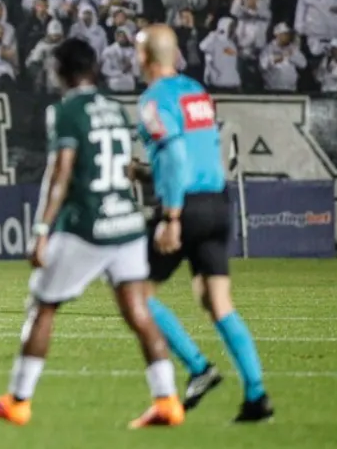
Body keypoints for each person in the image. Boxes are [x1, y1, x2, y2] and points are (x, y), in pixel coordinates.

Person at [0, 38, 185, 429]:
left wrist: (41, 230)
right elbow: (124, 166)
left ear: (61, 71)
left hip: (88, 226)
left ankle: (18, 400)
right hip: (128, 223)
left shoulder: (66, 111)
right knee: (137, 311)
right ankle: (167, 398)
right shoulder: (116, 108)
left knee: (43, 307)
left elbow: (60, 173)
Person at [131, 24, 274, 422]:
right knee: (217, 302)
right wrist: (145, 174)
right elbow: (196, 152)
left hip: (185, 207)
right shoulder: (196, 92)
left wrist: (172, 217)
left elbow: (176, 157)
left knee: (136, 293)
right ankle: (256, 396)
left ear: (144, 58)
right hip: (216, 201)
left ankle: (198, 368)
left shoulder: (152, 101)